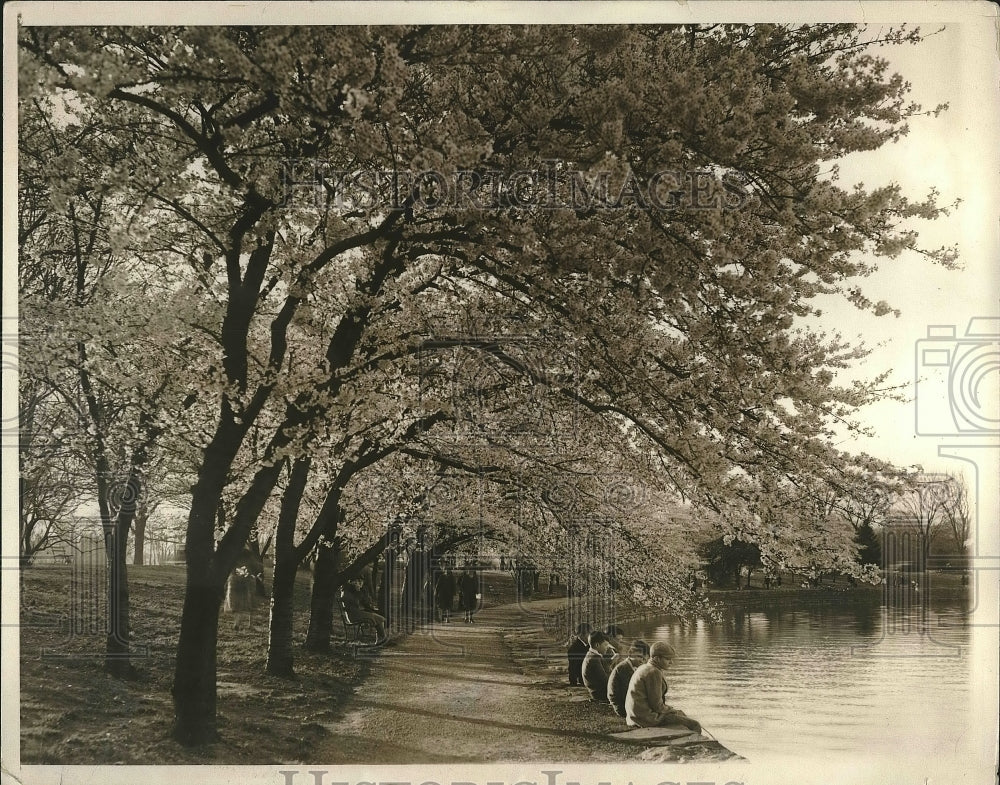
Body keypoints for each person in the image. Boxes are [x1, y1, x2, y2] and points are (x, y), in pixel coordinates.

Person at [625, 641, 700, 732]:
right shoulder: (653, 672)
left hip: (635, 716)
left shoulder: (645, 667)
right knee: (695, 724)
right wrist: (672, 710)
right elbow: (657, 706)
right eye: (668, 659)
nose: (671, 662)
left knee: (680, 714)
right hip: (646, 718)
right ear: (657, 658)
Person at [607, 639, 649, 717]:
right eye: (639, 656)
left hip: (626, 702)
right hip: (621, 706)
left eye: (644, 659)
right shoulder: (623, 668)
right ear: (630, 653)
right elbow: (627, 693)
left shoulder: (632, 667)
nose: (642, 661)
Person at [341, 576, 387, 644]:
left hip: (359, 613)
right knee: (379, 618)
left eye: (361, 581)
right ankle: (382, 639)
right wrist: (358, 591)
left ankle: (380, 640)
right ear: (351, 582)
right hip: (353, 615)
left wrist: (364, 594)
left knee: (380, 618)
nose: (360, 583)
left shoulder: (354, 590)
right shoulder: (346, 591)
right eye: (357, 581)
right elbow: (355, 603)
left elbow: (366, 603)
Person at [582, 630, 615, 702]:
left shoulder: (592, 655)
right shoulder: (594, 659)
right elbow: (605, 681)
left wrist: (612, 661)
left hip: (596, 691)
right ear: (597, 645)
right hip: (600, 694)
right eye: (605, 645)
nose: (607, 648)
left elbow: (603, 668)